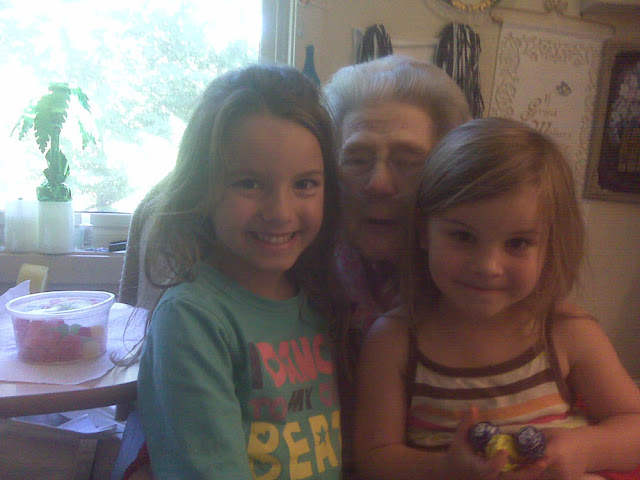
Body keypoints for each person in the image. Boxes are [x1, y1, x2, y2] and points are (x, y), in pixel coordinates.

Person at [353, 117, 640, 480]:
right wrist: (445, 469)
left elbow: (634, 425)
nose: (488, 267)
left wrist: (585, 448)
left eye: (517, 243)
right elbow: (374, 457)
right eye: (463, 236)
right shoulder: (393, 340)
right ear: (425, 231)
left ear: (549, 245)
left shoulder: (567, 331)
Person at [135, 63, 349, 479]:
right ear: (202, 187)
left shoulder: (317, 299)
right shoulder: (192, 317)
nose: (280, 212)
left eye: (305, 184)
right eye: (249, 183)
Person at [322, 54, 473, 478]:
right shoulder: (300, 269)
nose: (379, 183)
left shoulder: (476, 281)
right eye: (357, 158)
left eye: (408, 161)